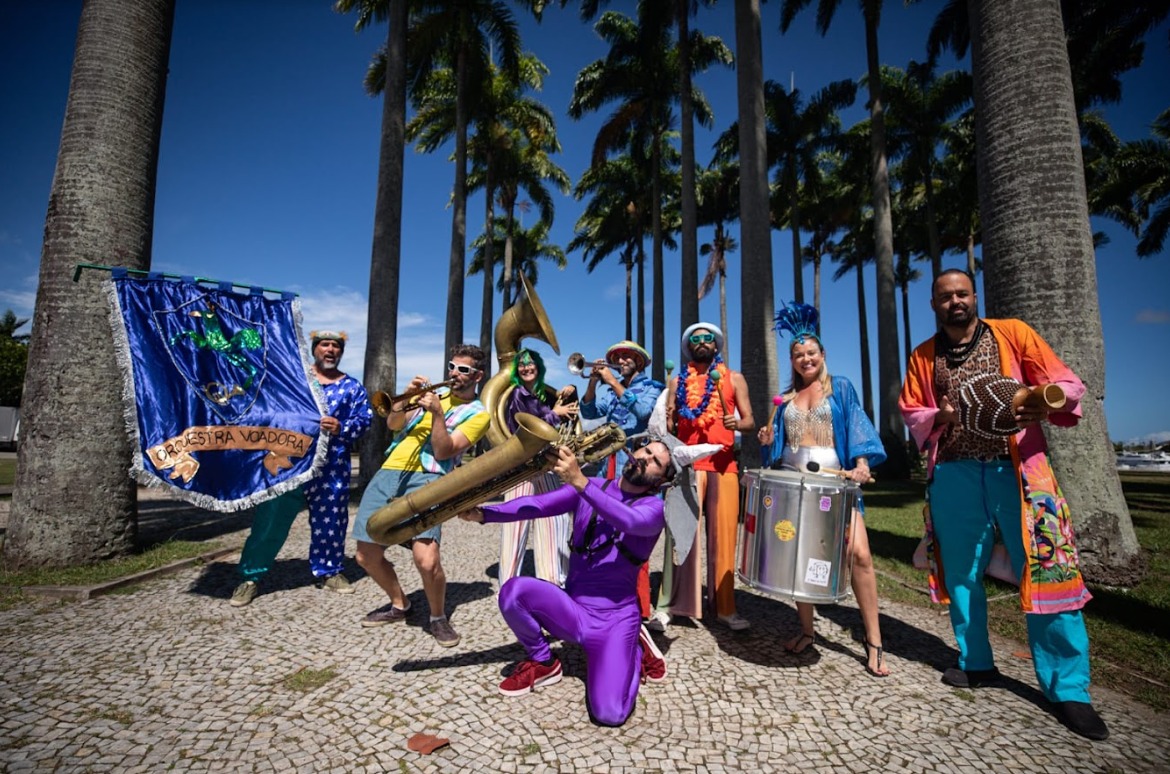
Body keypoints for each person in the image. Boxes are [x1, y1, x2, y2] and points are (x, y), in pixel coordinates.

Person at [899, 269, 1107, 741]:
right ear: (934, 304)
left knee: (1049, 568)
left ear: (975, 296)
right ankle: (976, 662)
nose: (955, 301)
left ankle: (1068, 689)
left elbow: (1066, 382)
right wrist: (939, 415)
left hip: (1017, 471)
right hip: (954, 471)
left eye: (962, 293)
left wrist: (1046, 402)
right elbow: (912, 409)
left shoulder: (1013, 333)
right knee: (961, 571)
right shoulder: (924, 355)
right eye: (945, 296)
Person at [460, 439, 676, 727]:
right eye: (646, 450)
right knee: (513, 592)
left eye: (656, 461)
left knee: (610, 714)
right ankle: (544, 662)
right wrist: (484, 514)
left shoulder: (655, 508)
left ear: (661, 479)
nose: (645, 458)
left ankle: (635, 651)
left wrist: (580, 482)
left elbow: (630, 521)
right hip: (573, 610)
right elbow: (536, 505)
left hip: (614, 621)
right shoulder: (593, 485)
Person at [757, 303, 890, 676]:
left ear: (822, 354)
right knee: (800, 555)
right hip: (795, 484)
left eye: (811, 353)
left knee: (859, 555)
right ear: (792, 360)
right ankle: (806, 631)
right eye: (799, 355)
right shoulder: (786, 399)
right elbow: (778, 448)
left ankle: (875, 641)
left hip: (836, 482)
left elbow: (858, 428)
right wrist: (767, 441)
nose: (806, 359)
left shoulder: (840, 388)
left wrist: (862, 465)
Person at [351, 344, 491, 648]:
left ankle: (438, 617)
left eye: (463, 369)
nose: (454, 373)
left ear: (478, 375)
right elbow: (393, 424)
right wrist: (405, 398)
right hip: (389, 471)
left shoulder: (478, 414)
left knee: (426, 560)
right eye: (452, 366)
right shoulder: (432, 394)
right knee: (365, 555)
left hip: (430, 478)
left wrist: (438, 413)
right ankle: (400, 604)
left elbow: (444, 451)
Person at [231, 330, 372, 607]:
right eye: (324, 345)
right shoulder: (294, 381)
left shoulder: (352, 387)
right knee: (270, 519)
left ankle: (329, 571)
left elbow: (364, 421)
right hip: (287, 464)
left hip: (331, 467)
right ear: (314, 349)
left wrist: (341, 427)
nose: (330, 350)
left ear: (341, 352)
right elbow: (269, 409)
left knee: (331, 520)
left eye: (335, 346)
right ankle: (250, 578)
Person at [664, 322, 755, 630]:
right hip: (688, 466)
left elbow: (750, 421)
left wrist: (737, 424)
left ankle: (726, 608)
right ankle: (675, 604)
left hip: (723, 465)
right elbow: (670, 426)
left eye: (707, 338)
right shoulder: (677, 381)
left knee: (724, 539)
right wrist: (668, 418)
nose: (702, 342)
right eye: (696, 339)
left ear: (716, 345)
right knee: (681, 536)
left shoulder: (734, 378)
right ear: (689, 347)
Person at [579, 340, 665, 626]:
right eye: (617, 358)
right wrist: (593, 382)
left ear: (638, 362)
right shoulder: (610, 390)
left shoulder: (652, 387)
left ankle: (638, 608)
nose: (620, 361)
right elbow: (589, 411)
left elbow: (644, 413)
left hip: (636, 466)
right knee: (605, 529)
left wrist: (614, 383)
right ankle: (603, 598)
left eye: (626, 357)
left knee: (632, 536)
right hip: (610, 466)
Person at [497, 348, 578, 587]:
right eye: (521, 364)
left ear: (538, 366)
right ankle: (508, 586)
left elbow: (566, 414)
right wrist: (555, 414)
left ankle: (552, 582)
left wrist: (571, 389)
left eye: (530, 363)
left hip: (545, 465)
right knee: (516, 527)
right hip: (521, 467)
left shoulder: (541, 394)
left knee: (556, 520)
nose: (526, 367)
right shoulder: (517, 394)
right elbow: (525, 428)